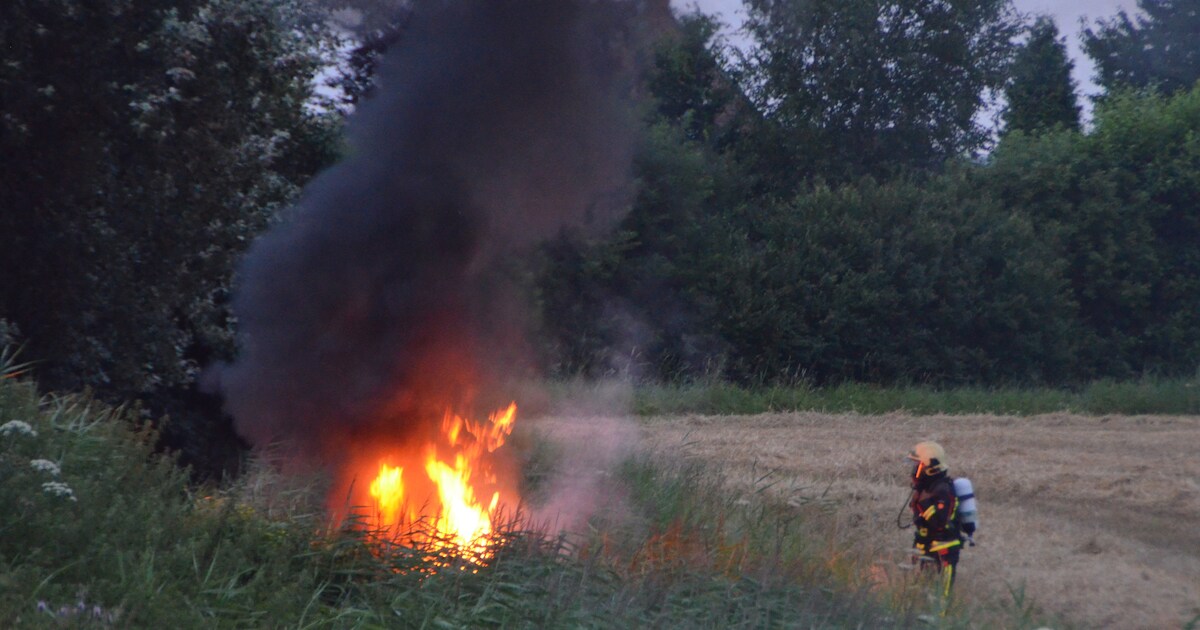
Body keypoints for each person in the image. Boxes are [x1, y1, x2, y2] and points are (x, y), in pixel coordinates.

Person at [907, 441, 963, 598]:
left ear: (930, 469)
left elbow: (939, 521)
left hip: (944, 550)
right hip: (927, 549)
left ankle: (942, 621)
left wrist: (924, 505)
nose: (914, 471)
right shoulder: (927, 488)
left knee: (942, 598)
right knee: (921, 593)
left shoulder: (942, 490)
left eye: (918, 466)